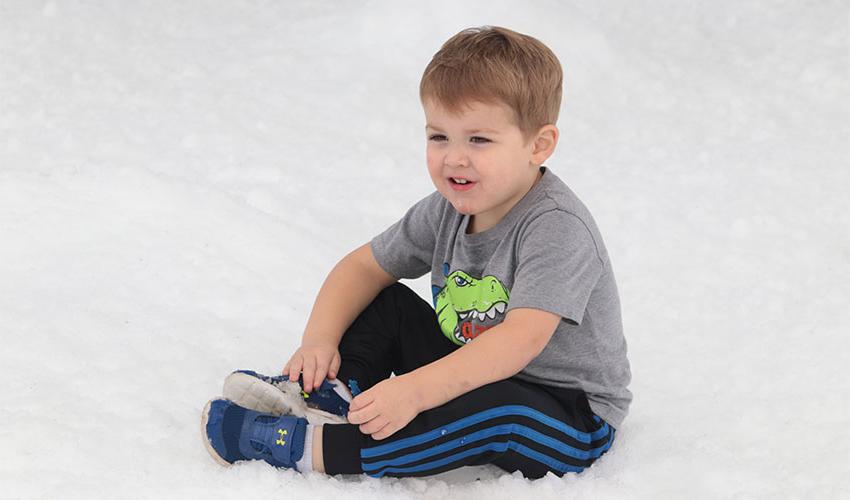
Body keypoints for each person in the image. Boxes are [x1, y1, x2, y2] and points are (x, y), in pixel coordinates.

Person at [201, 25, 632, 480]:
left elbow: (517, 343)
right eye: (439, 137)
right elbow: (362, 267)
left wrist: (418, 390)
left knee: (498, 412)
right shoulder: (447, 209)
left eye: (479, 140)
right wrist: (319, 341)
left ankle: (312, 448)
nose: (454, 158)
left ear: (538, 145)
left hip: (565, 414)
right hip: (476, 365)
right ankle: (327, 395)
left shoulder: (557, 227)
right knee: (386, 301)